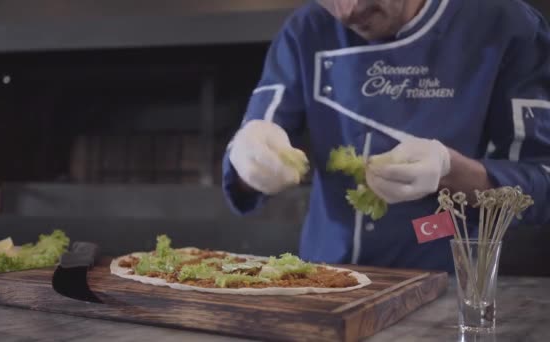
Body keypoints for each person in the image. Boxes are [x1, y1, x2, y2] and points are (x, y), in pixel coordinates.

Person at [221, 0, 550, 272]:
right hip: (323, 278)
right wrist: (250, 159)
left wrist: (451, 170)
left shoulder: (505, 24)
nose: (347, 11)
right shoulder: (306, 28)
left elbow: (541, 180)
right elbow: (253, 152)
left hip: (446, 282)